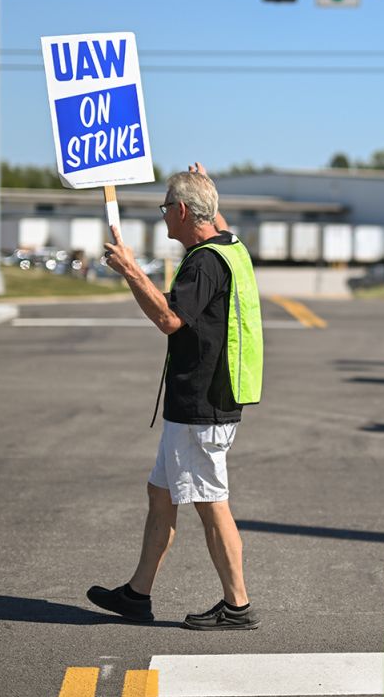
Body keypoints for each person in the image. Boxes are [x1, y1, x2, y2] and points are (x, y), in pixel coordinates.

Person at [86, 164, 264, 630]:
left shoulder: (205, 261)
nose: (164, 215)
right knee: (160, 493)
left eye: (167, 207)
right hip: (205, 400)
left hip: (203, 405)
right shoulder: (230, 246)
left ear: (183, 211)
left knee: (211, 502)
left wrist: (129, 270)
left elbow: (168, 319)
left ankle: (237, 605)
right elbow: (216, 217)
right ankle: (137, 593)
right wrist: (207, 187)